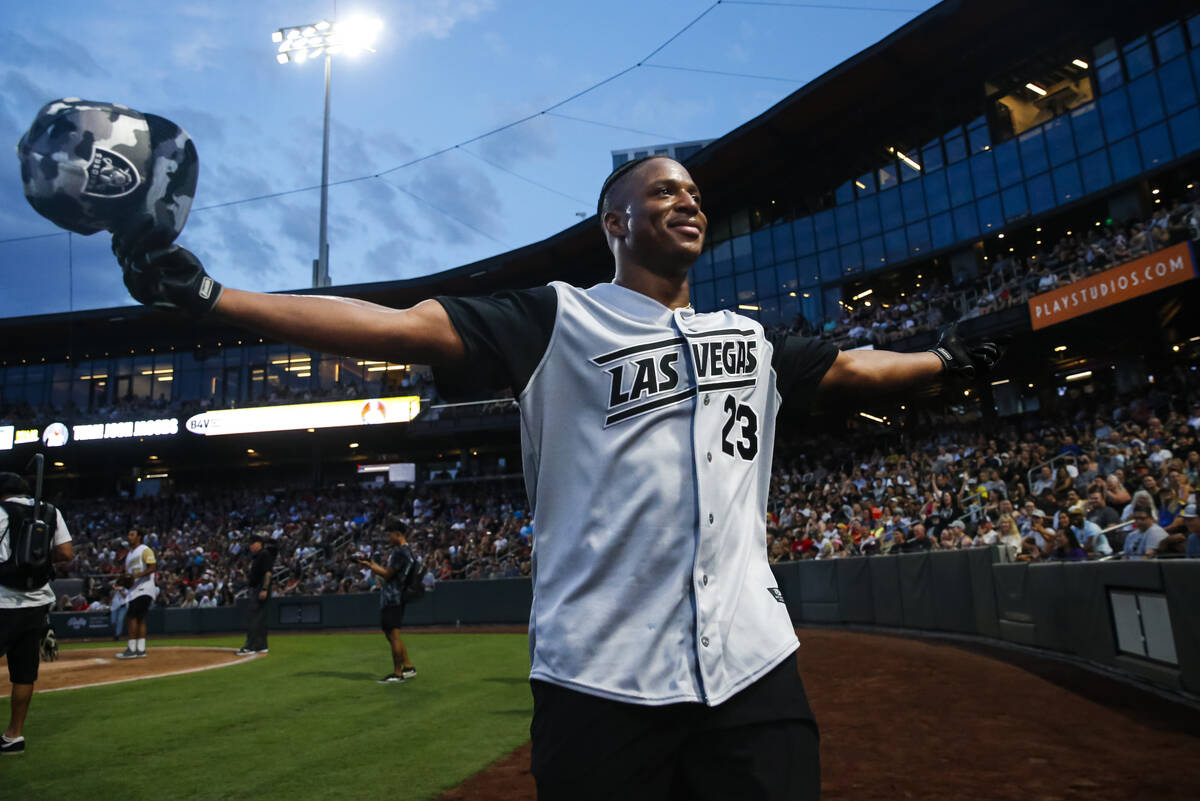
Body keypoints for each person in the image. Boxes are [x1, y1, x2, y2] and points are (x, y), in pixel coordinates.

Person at [111, 154, 1001, 799]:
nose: (686, 199)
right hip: (600, 685)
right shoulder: (558, 320)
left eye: (693, 190)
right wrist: (210, 297)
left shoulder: (752, 336)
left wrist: (945, 356)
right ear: (616, 221)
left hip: (751, 671)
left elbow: (855, 368)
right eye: (662, 190)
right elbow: (403, 326)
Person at [0, 472, 74, 755]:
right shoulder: (50, 511)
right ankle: (14, 736)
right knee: (24, 674)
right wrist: (37, 556)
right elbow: (66, 553)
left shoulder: (1, 511)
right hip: (38, 603)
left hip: (3, 600)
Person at [357, 521, 417, 684]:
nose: (387, 538)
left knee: (393, 634)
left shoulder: (399, 552)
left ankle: (397, 673)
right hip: (398, 595)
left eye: (389, 534)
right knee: (391, 634)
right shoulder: (407, 551)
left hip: (393, 597)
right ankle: (408, 667)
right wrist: (371, 564)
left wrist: (370, 567)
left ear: (398, 534)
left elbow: (387, 575)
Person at [116, 529, 157, 659]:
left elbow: (152, 567)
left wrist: (135, 576)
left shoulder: (145, 550)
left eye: (132, 534)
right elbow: (128, 576)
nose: (129, 537)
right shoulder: (129, 555)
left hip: (144, 588)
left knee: (132, 617)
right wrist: (122, 582)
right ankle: (140, 649)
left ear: (139, 537)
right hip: (134, 590)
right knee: (140, 618)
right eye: (128, 534)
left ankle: (132, 649)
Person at [236, 534, 274, 656]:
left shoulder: (264, 554)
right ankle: (261, 645)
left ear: (259, 543)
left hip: (259, 589)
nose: (250, 546)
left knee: (254, 618)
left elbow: (268, 573)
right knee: (260, 618)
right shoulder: (257, 556)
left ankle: (250, 646)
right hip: (257, 588)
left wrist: (264, 588)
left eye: (252, 543)